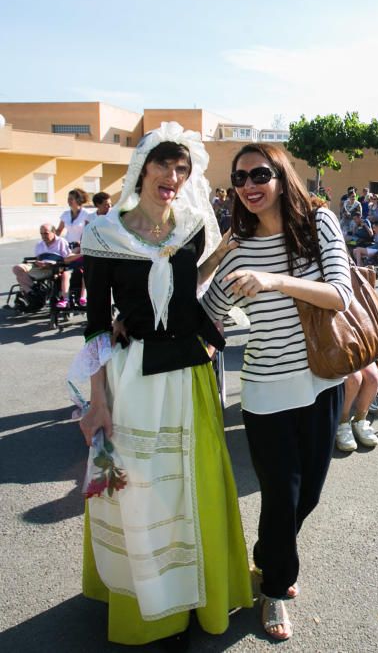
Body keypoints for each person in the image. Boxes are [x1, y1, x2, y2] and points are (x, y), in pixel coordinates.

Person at [73, 122, 250, 646]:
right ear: (142, 168)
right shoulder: (104, 233)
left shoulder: (193, 224)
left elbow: (186, 285)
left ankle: (198, 592)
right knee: (141, 492)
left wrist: (224, 257)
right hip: (132, 379)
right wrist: (97, 400)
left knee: (192, 487)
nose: (172, 177)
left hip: (188, 374)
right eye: (164, 166)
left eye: (182, 169)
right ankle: (150, 602)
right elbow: (96, 323)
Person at [201, 142, 353, 641]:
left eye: (259, 174)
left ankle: (268, 556)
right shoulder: (236, 250)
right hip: (265, 390)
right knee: (280, 496)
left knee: (307, 493)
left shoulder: (318, 225)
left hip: (322, 381)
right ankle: (274, 589)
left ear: (282, 176)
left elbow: (340, 295)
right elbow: (206, 315)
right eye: (238, 178)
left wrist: (274, 281)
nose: (248, 186)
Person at [12, 223, 72, 301]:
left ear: (53, 232)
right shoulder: (39, 244)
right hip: (40, 266)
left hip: (53, 268)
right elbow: (37, 259)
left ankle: (31, 292)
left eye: (46, 233)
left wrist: (52, 264)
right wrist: (38, 262)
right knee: (17, 269)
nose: (43, 236)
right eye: (42, 234)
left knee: (20, 278)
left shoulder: (61, 242)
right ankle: (35, 290)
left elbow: (67, 259)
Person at [335, 362, 378, 451]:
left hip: (358, 350)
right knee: (354, 379)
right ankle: (342, 422)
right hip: (336, 352)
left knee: (373, 378)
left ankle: (359, 420)